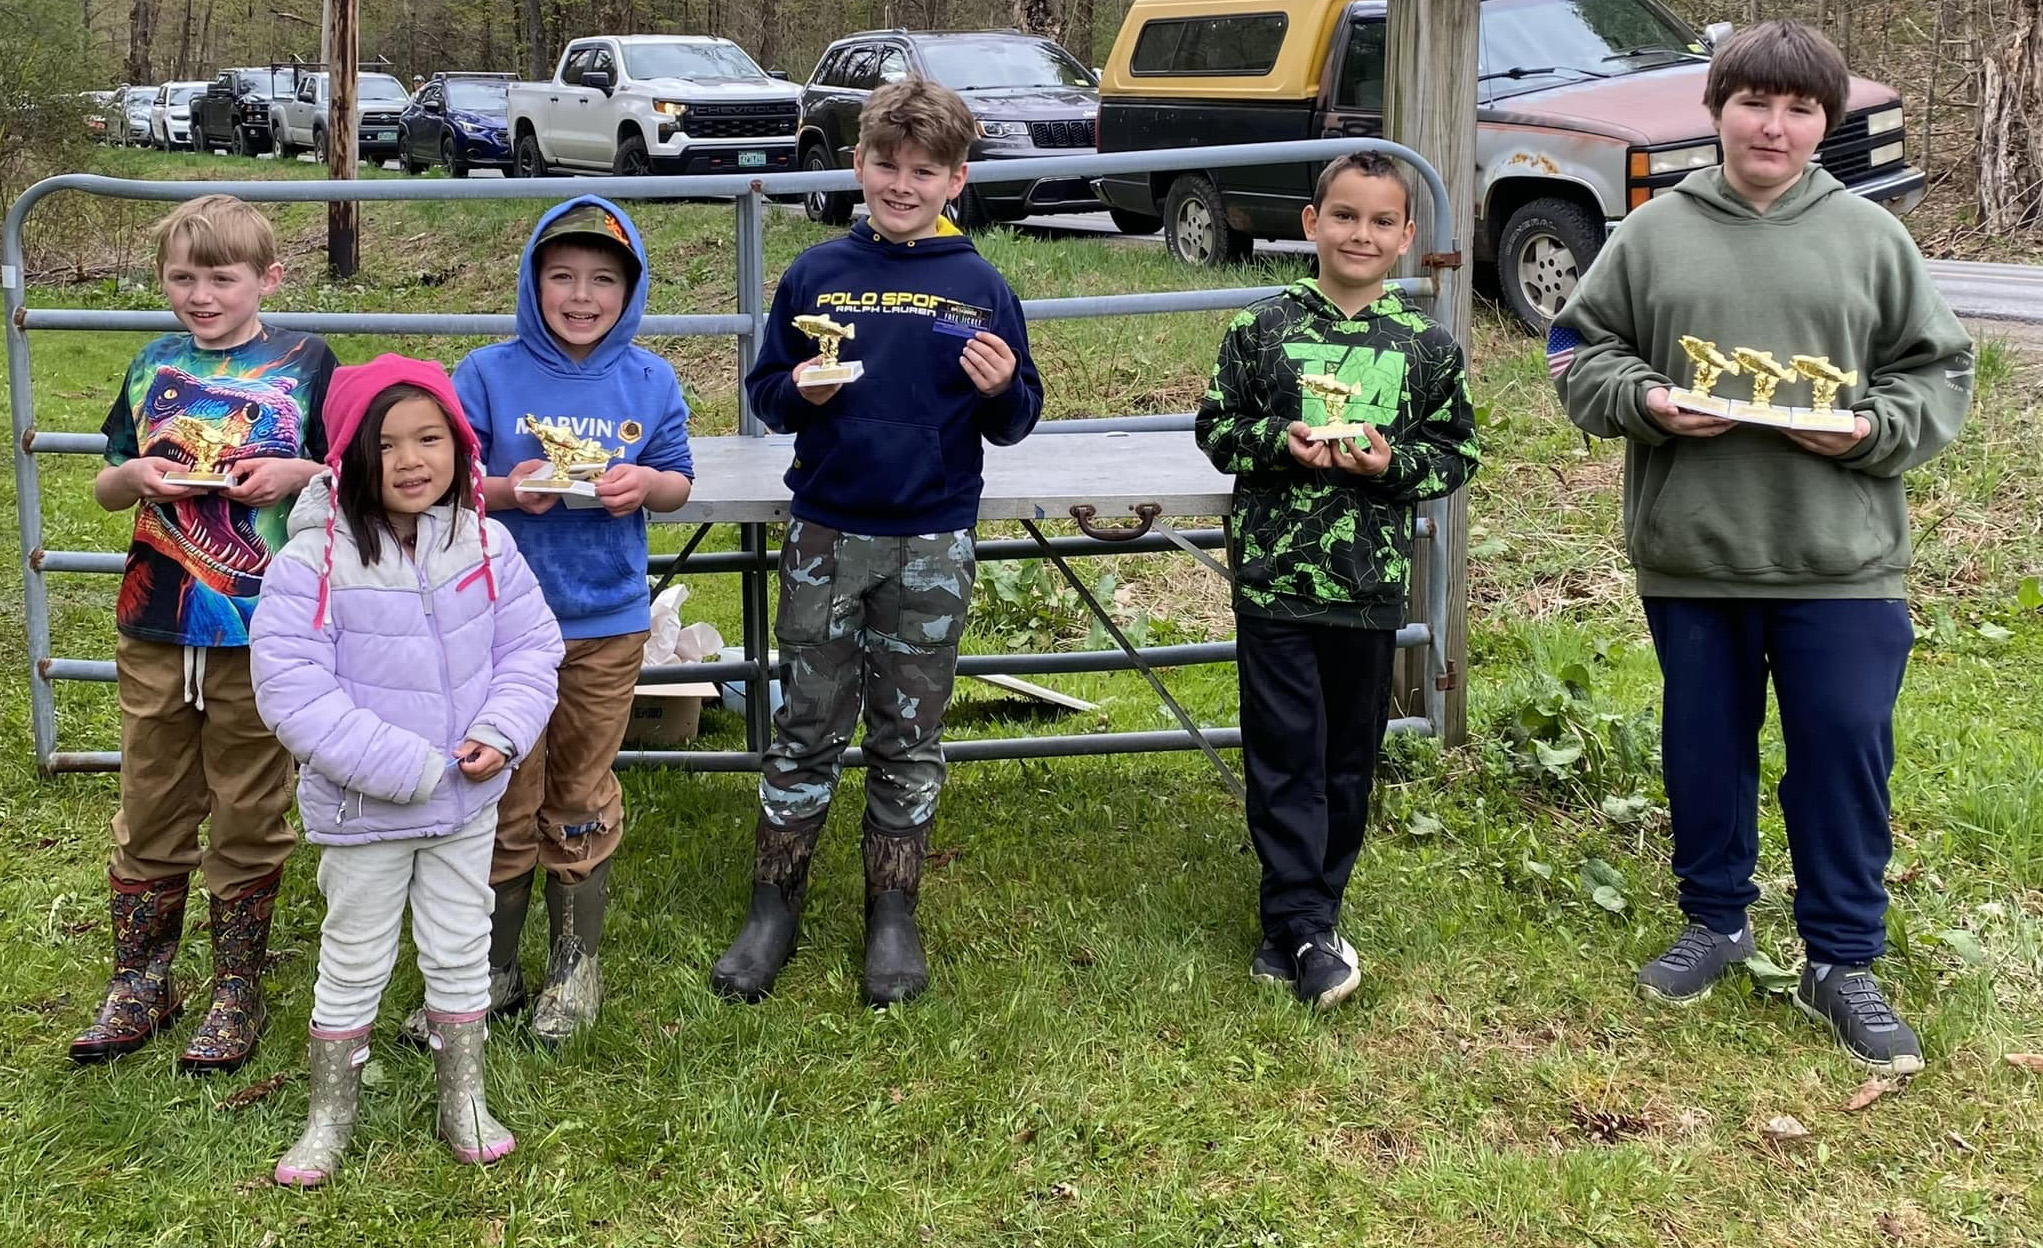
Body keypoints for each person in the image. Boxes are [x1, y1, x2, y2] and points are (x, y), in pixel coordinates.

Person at [1551, 20, 1971, 1075]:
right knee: (1705, 748)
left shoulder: (1872, 239)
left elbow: (1941, 374)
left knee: (1841, 753)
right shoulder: (1654, 232)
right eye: (1753, 102)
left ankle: (1842, 959)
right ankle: (1716, 920)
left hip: (1842, 559)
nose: (1772, 125)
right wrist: (1644, 401)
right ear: (1718, 109)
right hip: (1694, 553)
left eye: (1797, 108)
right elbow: (1575, 349)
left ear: (1824, 122)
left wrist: (1872, 429)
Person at [710, 77, 1044, 1007]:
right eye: (885, 164)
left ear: (956, 179)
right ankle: (774, 900)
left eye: (923, 169)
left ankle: (892, 907)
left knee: (911, 730)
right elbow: (767, 394)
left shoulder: (980, 286)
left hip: (931, 540)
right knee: (806, 722)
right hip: (825, 532)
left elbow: (1017, 419)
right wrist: (799, 395)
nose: (902, 184)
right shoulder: (817, 274)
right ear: (857, 165)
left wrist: (1000, 386)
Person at [251, 354, 563, 1186]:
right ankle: (329, 1118)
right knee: (353, 952)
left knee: (461, 943)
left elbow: (530, 649)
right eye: (387, 445)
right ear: (347, 455)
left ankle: (463, 1099)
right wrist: (408, 766)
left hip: (466, 801)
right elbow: (293, 692)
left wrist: (501, 732)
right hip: (366, 811)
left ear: (462, 446)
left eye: (432, 438)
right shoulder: (309, 566)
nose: (413, 460)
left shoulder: (488, 543)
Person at [401, 195, 695, 1049]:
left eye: (603, 279)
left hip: (604, 620)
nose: (580, 294)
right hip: (492, 625)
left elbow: (676, 479)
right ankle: (491, 968)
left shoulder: (649, 379)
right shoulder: (487, 373)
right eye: (561, 275)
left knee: (577, 789)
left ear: (629, 291)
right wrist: (504, 489)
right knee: (499, 791)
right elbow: (440, 477)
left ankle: (574, 965)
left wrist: (643, 488)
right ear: (532, 282)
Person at [1196, 151, 1479, 1010]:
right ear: (1311, 222)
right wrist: (1277, 440)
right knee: (1284, 751)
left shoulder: (1426, 347)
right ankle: (1302, 923)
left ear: (1406, 238)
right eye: (1344, 216)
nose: (1361, 233)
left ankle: (1306, 919)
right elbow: (1216, 429)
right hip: (1275, 578)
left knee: (1346, 758)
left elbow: (1455, 452)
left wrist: (1392, 462)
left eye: (1380, 221)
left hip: (1368, 582)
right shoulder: (1261, 328)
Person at [73, 193, 336, 1074]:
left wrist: (292, 473)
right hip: (155, 615)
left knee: (252, 800)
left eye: (221, 277)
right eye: (182, 277)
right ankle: (141, 977)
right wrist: (139, 476)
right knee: (151, 793)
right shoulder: (151, 364)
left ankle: (237, 982)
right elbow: (109, 480)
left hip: (261, 627)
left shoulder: (306, 364)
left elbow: (344, 472)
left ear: (268, 278)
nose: (200, 294)